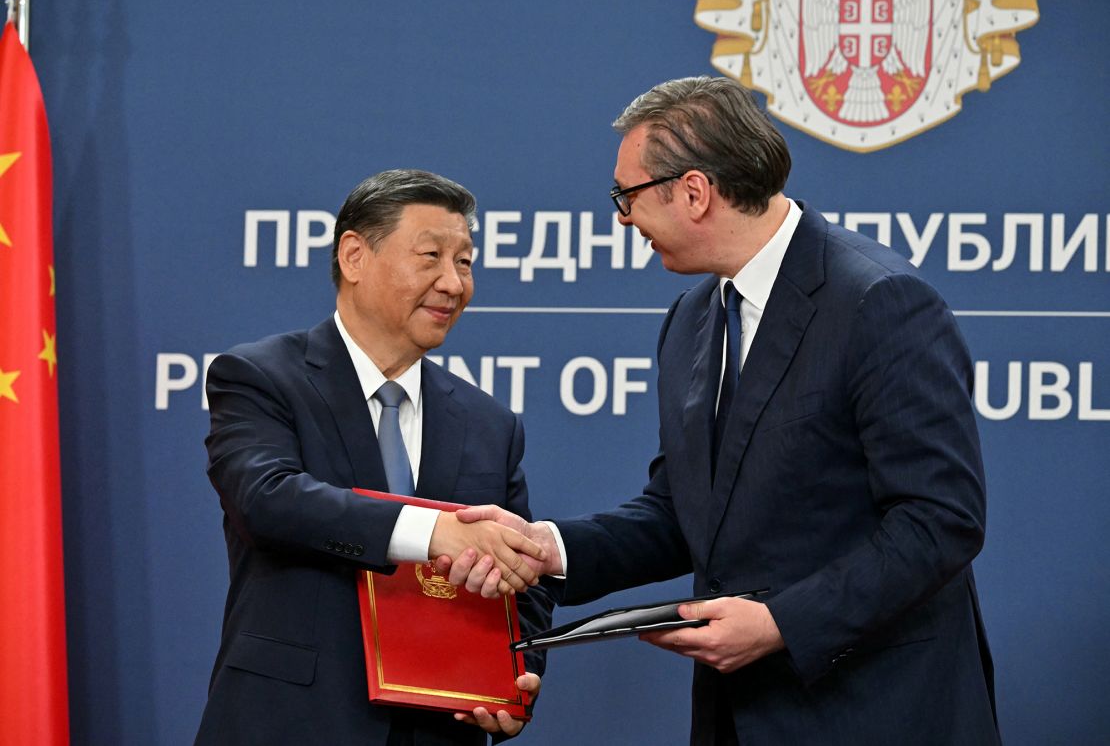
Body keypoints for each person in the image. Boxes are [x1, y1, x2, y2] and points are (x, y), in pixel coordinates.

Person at [445, 77, 1000, 745]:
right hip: (736, 718)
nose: (622, 218)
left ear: (695, 191)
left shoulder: (878, 302)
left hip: (876, 713)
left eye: (627, 195)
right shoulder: (690, 321)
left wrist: (779, 624)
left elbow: (939, 521)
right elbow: (681, 513)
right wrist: (546, 548)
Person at [195, 169, 554, 745]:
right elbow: (267, 499)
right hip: (289, 724)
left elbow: (520, 584)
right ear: (355, 256)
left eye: (465, 262)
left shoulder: (490, 424)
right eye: (431, 255)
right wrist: (433, 531)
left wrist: (513, 678)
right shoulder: (261, 377)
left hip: (440, 731)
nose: (454, 283)